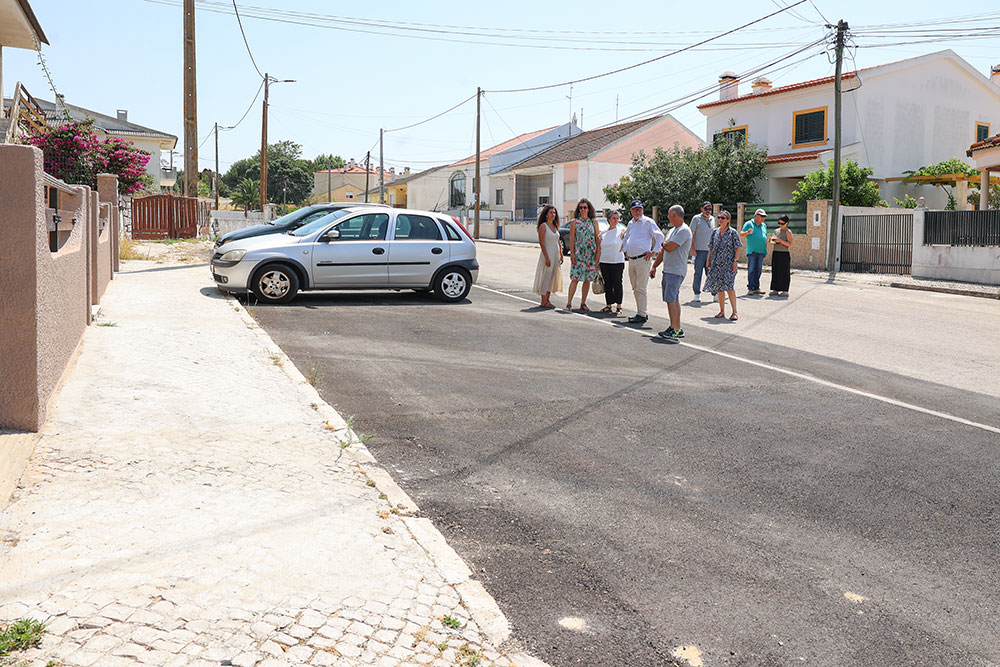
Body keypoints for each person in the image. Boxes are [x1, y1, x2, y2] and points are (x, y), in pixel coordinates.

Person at [649, 205, 692, 341]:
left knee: (672, 299)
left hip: (676, 270)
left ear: (674, 215)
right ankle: (675, 327)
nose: (667, 217)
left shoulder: (684, 230)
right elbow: (663, 250)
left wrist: (662, 241)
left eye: (669, 214)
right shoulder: (673, 230)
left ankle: (675, 329)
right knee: (671, 299)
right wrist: (654, 266)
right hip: (669, 269)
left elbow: (669, 247)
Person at [620, 199, 664, 324]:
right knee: (635, 287)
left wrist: (653, 252)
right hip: (632, 260)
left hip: (642, 259)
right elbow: (626, 237)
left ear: (643, 210)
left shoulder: (648, 222)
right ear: (631, 211)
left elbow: (660, 236)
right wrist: (626, 250)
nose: (637, 211)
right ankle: (640, 311)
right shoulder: (631, 223)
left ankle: (642, 313)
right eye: (635, 209)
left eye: (639, 209)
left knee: (641, 287)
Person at [704, 210, 742, 320]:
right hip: (716, 264)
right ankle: (721, 311)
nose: (720, 220)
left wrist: (736, 261)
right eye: (719, 217)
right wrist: (708, 260)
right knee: (719, 288)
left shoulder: (733, 232)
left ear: (728, 220)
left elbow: (738, 247)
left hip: (728, 264)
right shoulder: (715, 232)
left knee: (729, 288)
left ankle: (735, 312)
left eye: (723, 218)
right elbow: (711, 248)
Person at [566, 198, 601, 311]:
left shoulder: (593, 222)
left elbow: (597, 238)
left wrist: (598, 255)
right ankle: (569, 303)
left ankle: (583, 303)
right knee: (575, 278)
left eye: (585, 207)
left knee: (587, 280)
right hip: (579, 254)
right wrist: (572, 254)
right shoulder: (574, 222)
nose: (583, 209)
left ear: (589, 209)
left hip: (591, 255)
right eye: (580, 207)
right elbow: (572, 239)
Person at [532, 205, 562, 308]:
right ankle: (543, 301)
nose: (553, 215)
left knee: (552, 277)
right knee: (546, 277)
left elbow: (558, 240)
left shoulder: (555, 226)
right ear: (546, 214)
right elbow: (541, 242)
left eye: (554, 213)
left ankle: (548, 300)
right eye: (551, 213)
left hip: (556, 255)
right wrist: (547, 257)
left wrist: (561, 254)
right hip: (547, 254)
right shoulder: (543, 226)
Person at [598, 211, 626, 315]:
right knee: (608, 284)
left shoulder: (622, 231)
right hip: (604, 261)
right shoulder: (603, 232)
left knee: (617, 283)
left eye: (617, 218)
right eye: (614, 218)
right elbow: (599, 247)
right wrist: (597, 261)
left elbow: (628, 239)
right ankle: (608, 305)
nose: (616, 220)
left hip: (617, 261)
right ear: (609, 220)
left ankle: (619, 306)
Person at [689, 202, 716, 302]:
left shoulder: (713, 219)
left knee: (711, 273)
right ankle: (697, 293)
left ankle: (715, 293)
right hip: (699, 251)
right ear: (702, 209)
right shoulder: (696, 219)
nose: (708, 211)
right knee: (698, 273)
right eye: (706, 209)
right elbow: (692, 234)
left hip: (710, 251)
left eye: (710, 209)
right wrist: (692, 249)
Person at [740, 208, 768, 295]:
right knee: (751, 269)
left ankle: (756, 287)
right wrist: (747, 232)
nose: (763, 218)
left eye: (764, 216)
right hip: (752, 251)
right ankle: (750, 288)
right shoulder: (749, 224)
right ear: (756, 216)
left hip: (761, 251)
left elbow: (765, 237)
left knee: (759, 270)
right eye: (762, 216)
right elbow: (741, 234)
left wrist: (765, 250)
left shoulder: (764, 225)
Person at [768, 214, 793, 296]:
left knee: (784, 271)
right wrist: (772, 240)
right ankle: (775, 288)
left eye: (782, 223)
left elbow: (789, 244)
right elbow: (773, 241)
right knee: (775, 270)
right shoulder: (776, 231)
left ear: (787, 223)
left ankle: (784, 289)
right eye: (779, 223)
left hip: (784, 253)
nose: (780, 225)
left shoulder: (788, 232)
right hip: (776, 252)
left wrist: (780, 241)